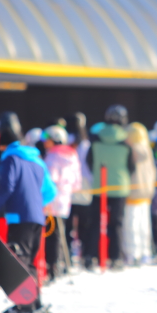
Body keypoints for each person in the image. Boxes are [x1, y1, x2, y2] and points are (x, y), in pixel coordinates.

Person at [0, 112, 56, 312]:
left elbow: (7, 187)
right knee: (30, 261)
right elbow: (51, 191)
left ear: (3, 145)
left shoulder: (10, 158)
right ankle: (34, 303)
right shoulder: (36, 159)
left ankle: (25, 305)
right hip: (37, 217)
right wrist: (36, 204)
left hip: (19, 216)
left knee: (20, 260)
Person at [87, 105, 135, 270]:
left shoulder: (95, 139)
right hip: (120, 187)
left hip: (99, 186)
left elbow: (89, 161)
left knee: (95, 222)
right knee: (116, 224)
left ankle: (91, 256)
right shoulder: (126, 142)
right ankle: (115, 258)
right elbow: (132, 166)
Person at [42, 125, 81, 278]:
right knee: (61, 232)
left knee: (51, 235)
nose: (45, 142)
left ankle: (52, 266)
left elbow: (49, 179)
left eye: (48, 139)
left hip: (51, 201)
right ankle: (61, 262)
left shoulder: (52, 156)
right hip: (65, 200)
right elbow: (77, 183)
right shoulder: (72, 155)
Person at [124, 122, 157, 265]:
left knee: (131, 224)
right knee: (144, 224)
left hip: (133, 191)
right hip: (147, 192)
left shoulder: (131, 150)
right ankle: (145, 252)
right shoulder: (147, 149)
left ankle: (133, 253)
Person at [66, 113, 93, 265]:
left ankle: (68, 254)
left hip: (68, 188)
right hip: (84, 187)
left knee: (68, 224)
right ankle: (84, 254)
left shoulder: (66, 141)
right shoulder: (86, 144)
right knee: (84, 224)